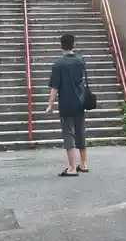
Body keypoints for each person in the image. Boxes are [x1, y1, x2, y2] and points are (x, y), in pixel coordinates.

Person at [46, 33, 88, 177]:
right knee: (80, 130)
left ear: (61, 45)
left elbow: (55, 87)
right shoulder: (80, 60)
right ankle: (83, 164)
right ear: (73, 45)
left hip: (66, 102)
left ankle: (71, 167)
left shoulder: (58, 64)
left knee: (68, 133)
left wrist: (50, 104)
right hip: (80, 101)